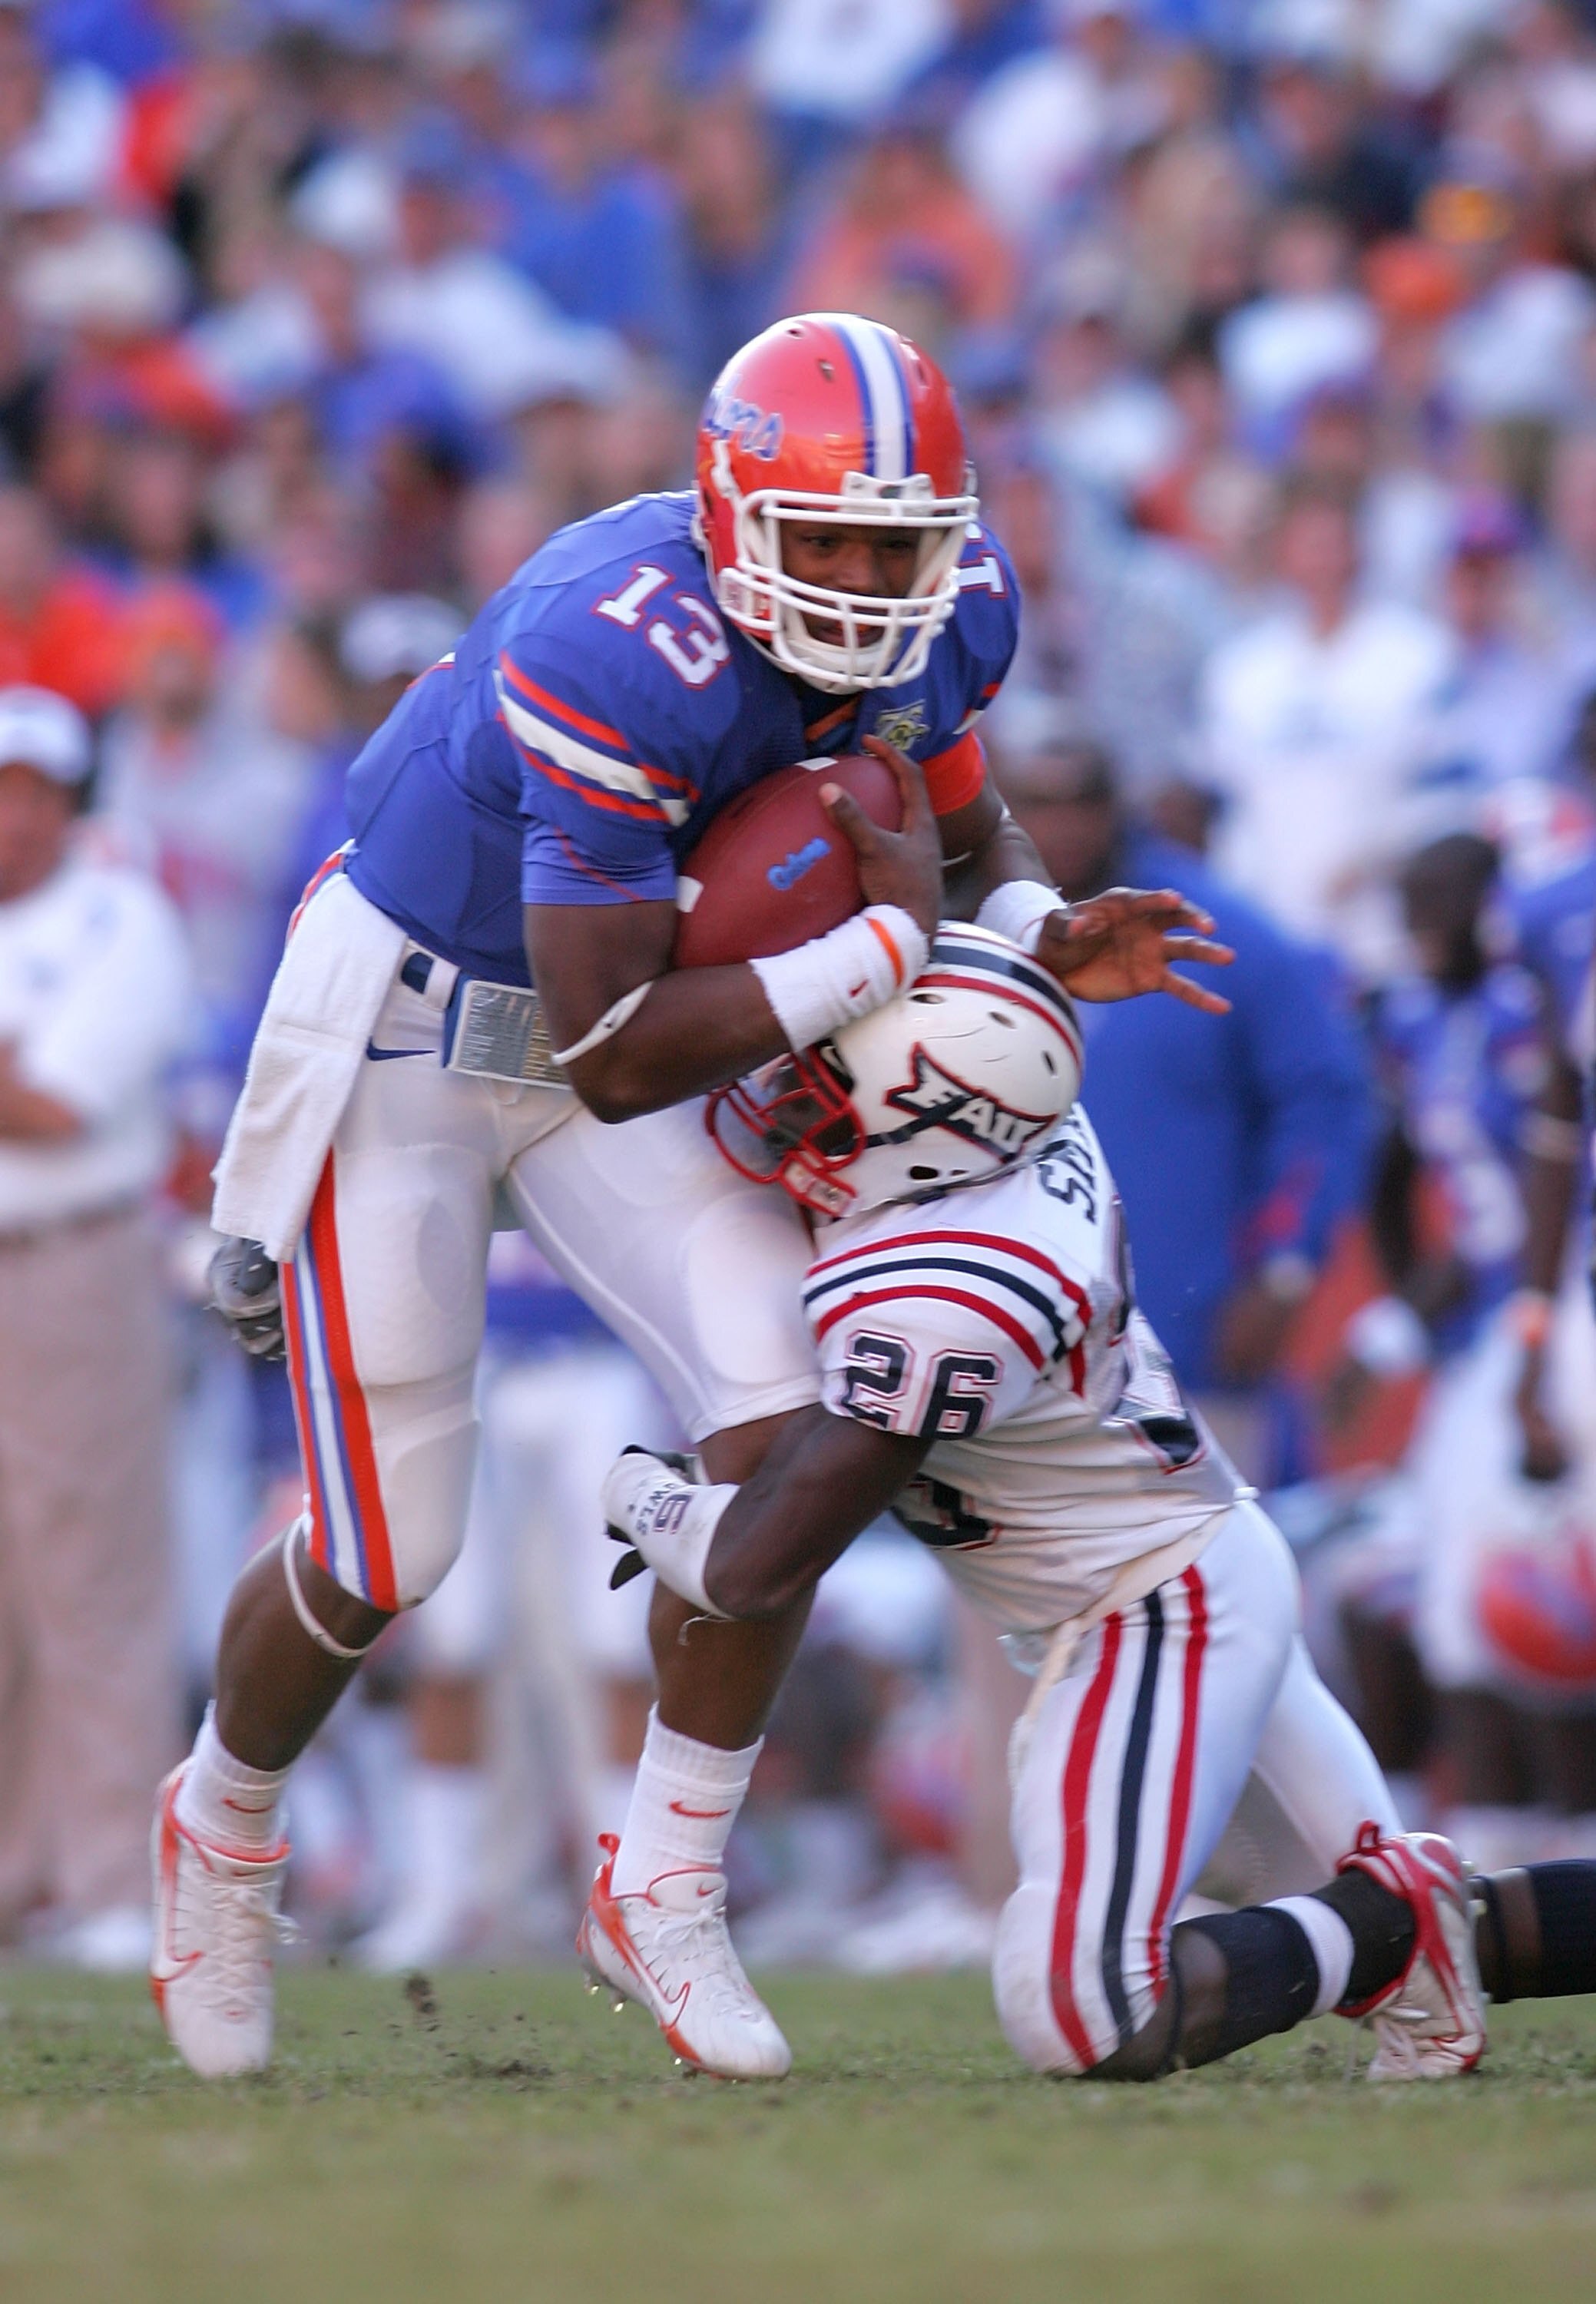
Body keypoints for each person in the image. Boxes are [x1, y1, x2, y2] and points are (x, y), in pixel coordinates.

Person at [153, 313, 1230, 2081]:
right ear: (734, 513)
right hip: (427, 1031)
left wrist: (1034, 926)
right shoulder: (615, 635)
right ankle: (219, 1824)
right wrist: (884, 948)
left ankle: (659, 1879)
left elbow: (965, 833)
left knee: (782, 1429)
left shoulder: (952, 609)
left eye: (898, 544)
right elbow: (605, 1045)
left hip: (661, 1026)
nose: (870, 587)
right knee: (385, 1547)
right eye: (831, 543)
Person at [604, 925, 1596, 2082]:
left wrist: (638, 1493)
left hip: (1154, 1607)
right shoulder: (1009, 1126)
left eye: (821, 1090)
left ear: (929, 1129)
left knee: (1083, 2009)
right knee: (1413, 1917)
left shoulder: (947, 1291)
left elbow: (751, 1569)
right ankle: (1409, 1924)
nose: (781, 1101)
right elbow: (989, 960)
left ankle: (1389, 1929)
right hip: (1182, 1549)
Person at [995, 725, 1372, 1480]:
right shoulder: (972, 930)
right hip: (1015, 1351)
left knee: (1213, 1550)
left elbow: (1323, 1100)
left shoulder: (1211, 929)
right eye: (1039, 803)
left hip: (1188, 1341)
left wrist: (1283, 1265)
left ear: (1119, 807)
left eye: (1082, 802)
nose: (1062, 826)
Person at [0, 684, 192, 1968]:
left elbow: (59, 1106)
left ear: (73, 803)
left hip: (71, 1259)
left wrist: (23, 1079)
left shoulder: (119, 916)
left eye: (36, 793)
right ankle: (19, 1872)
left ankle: (118, 1875)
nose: (15, 817)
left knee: (94, 1572)